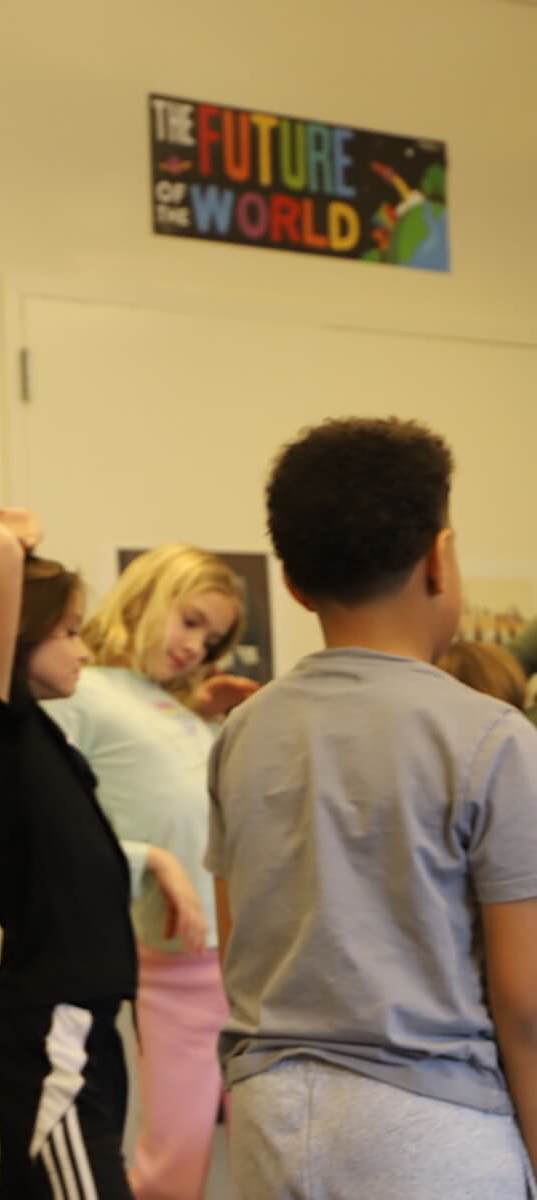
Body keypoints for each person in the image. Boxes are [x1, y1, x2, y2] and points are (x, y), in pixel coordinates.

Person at [208, 417, 537, 1197]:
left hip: (272, 1115)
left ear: (290, 580)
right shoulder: (492, 736)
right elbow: (525, 1002)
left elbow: (239, 947)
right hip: (435, 1125)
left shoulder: (243, 731)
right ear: (439, 558)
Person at [0, 505, 200, 1199]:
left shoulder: (38, 734)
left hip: (86, 1023)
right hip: (51, 1026)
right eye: (68, 632)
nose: (83, 650)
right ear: (14, 637)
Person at [44, 545, 255, 1199]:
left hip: (237, 959)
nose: (196, 646)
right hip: (174, 961)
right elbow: (48, 826)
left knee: (232, 1151)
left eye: (211, 637)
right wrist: (148, 861)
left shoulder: (171, 705)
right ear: (148, 596)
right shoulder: (82, 693)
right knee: (174, 1160)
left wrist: (211, 718)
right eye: (190, 621)